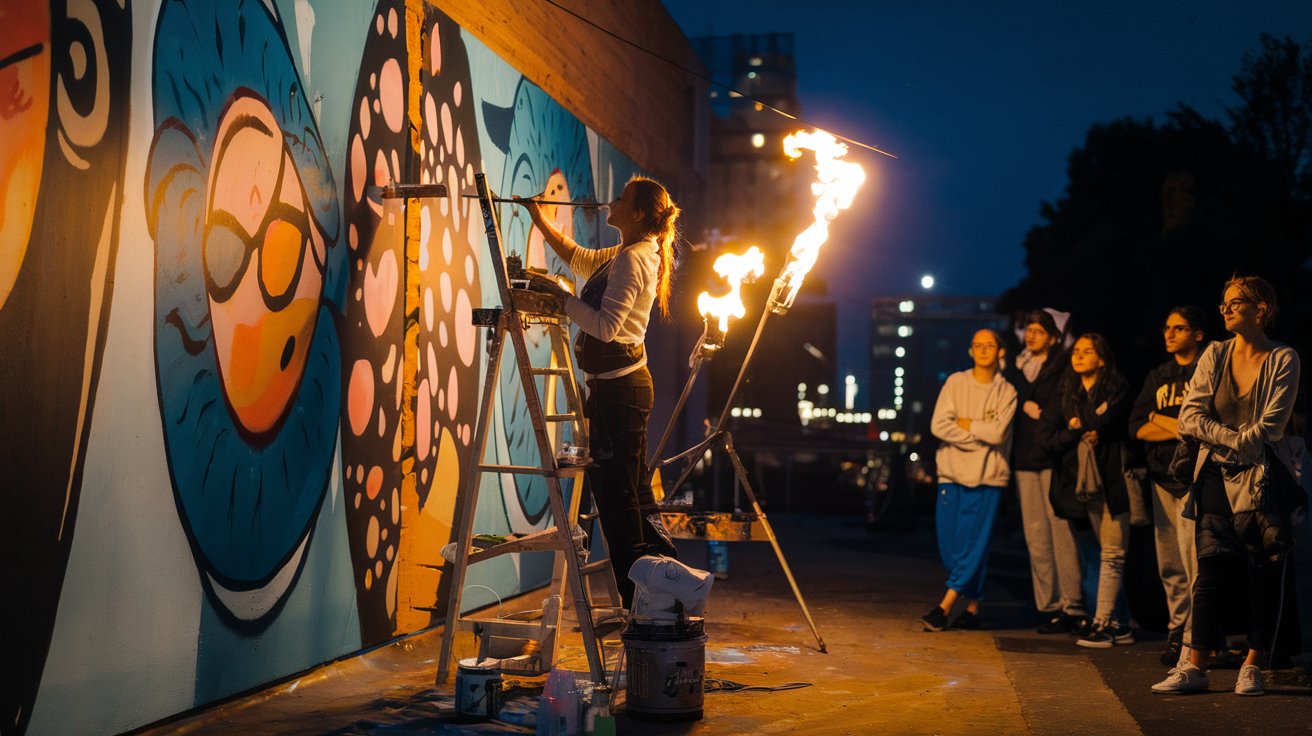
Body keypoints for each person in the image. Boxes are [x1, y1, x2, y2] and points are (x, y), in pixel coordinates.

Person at [518, 177, 680, 608]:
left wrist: (561, 297)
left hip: (622, 393)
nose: (613, 201)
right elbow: (580, 258)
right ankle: (661, 584)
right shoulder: (629, 253)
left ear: (639, 213)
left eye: (623, 199)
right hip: (620, 391)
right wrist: (541, 219)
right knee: (633, 493)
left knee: (618, 500)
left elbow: (607, 330)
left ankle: (640, 600)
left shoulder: (633, 260)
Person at [1153, 276, 1302, 696]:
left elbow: (1272, 426)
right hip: (1216, 472)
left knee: (1262, 567)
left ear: (1261, 309)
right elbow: (1189, 417)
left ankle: (1253, 663)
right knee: (1211, 567)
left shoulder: (1284, 358)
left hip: (1262, 477)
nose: (1226, 309)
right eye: (1223, 304)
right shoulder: (1214, 354)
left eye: (1236, 303)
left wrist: (1225, 438)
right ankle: (1194, 663)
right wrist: (1233, 440)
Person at [922, 329, 1018, 631]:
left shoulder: (1007, 392)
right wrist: (980, 434)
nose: (983, 350)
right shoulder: (956, 382)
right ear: (970, 350)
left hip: (988, 476)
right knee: (950, 546)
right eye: (977, 344)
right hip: (951, 472)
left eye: (989, 345)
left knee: (972, 546)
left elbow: (999, 434)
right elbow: (939, 425)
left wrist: (965, 425)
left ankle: (944, 606)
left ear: (1000, 351)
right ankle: (974, 603)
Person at [1043, 334, 1135, 648]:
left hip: (1111, 482)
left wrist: (1078, 423)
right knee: (1098, 556)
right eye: (1076, 351)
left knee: (1111, 554)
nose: (1079, 356)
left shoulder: (1117, 388)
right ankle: (1121, 624)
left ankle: (1103, 624)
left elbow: (1109, 419)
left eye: (1087, 351)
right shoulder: (1066, 393)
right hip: (1077, 489)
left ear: (1102, 358)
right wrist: (1076, 430)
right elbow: (1049, 437)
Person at [1128, 306, 1206, 666]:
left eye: (1179, 328)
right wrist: (1173, 423)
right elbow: (1137, 427)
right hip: (1161, 477)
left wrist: (1162, 421)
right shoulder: (1158, 375)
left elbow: (1203, 426)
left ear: (1198, 334)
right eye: (1166, 328)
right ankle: (1177, 629)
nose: (1169, 334)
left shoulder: (1208, 370)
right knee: (1170, 563)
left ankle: (1197, 635)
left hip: (1195, 477)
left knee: (1195, 562)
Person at [1007, 310, 1086, 634]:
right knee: (1036, 536)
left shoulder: (1063, 364)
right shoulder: (1016, 367)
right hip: (1024, 458)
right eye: (1029, 329)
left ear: (1053, 336)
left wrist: (1038, 409)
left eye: (1039, 330)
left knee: (1062, 535)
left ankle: (1073, 605)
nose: (1032, 335)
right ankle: (1048, 606)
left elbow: (1061, 405)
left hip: (1053, 458)